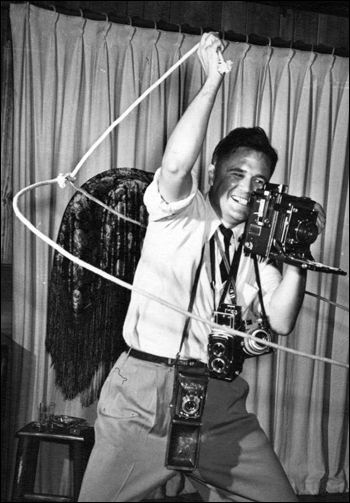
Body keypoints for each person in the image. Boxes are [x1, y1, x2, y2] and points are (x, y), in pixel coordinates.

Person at [78, 33, 326, 502]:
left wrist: (296, 258)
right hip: (143, 399)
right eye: (236, 174)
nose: (247, 188)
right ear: (213, 174)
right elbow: (174, 165)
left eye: (259, 181)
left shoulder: (257, 249)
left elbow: (281, 319)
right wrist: (213, 80)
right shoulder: (179, 210)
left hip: (218, 403)